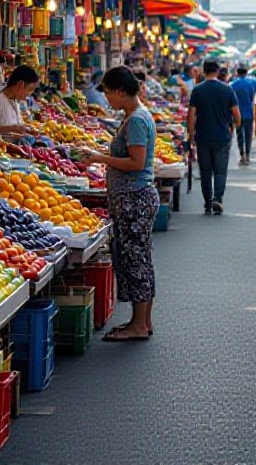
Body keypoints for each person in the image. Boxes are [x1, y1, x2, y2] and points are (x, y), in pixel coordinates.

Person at [78, 66, 159, 341]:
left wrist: (100, 159)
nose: (108, 99)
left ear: (120, 92)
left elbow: (136, 162)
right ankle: (142, 321)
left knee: (135, 259)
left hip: (134, 197)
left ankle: (138, 325)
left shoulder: (136, 120)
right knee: (140, 258)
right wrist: (99, 155)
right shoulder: (136, 116)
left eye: (109, 93)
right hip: (135, 196)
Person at [188, 60, 241, 215]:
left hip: (203, 136)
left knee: (205, 172)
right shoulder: (227, 89)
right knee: (220, 171)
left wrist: (191, 135)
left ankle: (207, 202)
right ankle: (217, 198)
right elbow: (236, 114)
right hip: (222, 136)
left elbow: (191, 114)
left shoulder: (197, 90)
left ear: (204, 71)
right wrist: (234, 127)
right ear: (217, 72)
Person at [0, 65, 37, 138]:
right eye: (30, 89)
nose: (29, 94)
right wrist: (11, 129)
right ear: (20, 84)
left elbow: (13, 126)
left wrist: (26, 129)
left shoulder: (15, 102)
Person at [230, 65, 256, 165]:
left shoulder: (232, 84)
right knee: (248, 135)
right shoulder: (252, 83)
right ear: (246, 73)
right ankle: (248, 155)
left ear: (237, 73)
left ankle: (242, 155)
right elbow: (254, 98)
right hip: (249, 112)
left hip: (237, 112)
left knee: (239, 134)